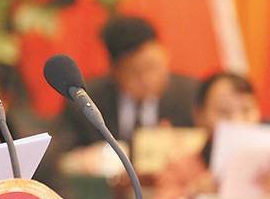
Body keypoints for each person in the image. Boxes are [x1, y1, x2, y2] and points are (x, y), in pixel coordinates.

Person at [44, 15, 199, 169]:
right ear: (115, 72)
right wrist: (79, 160)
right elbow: (59, 154)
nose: (147, 79)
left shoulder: (190, 95)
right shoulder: (85, 100)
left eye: (152, 66)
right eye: (135, 72)